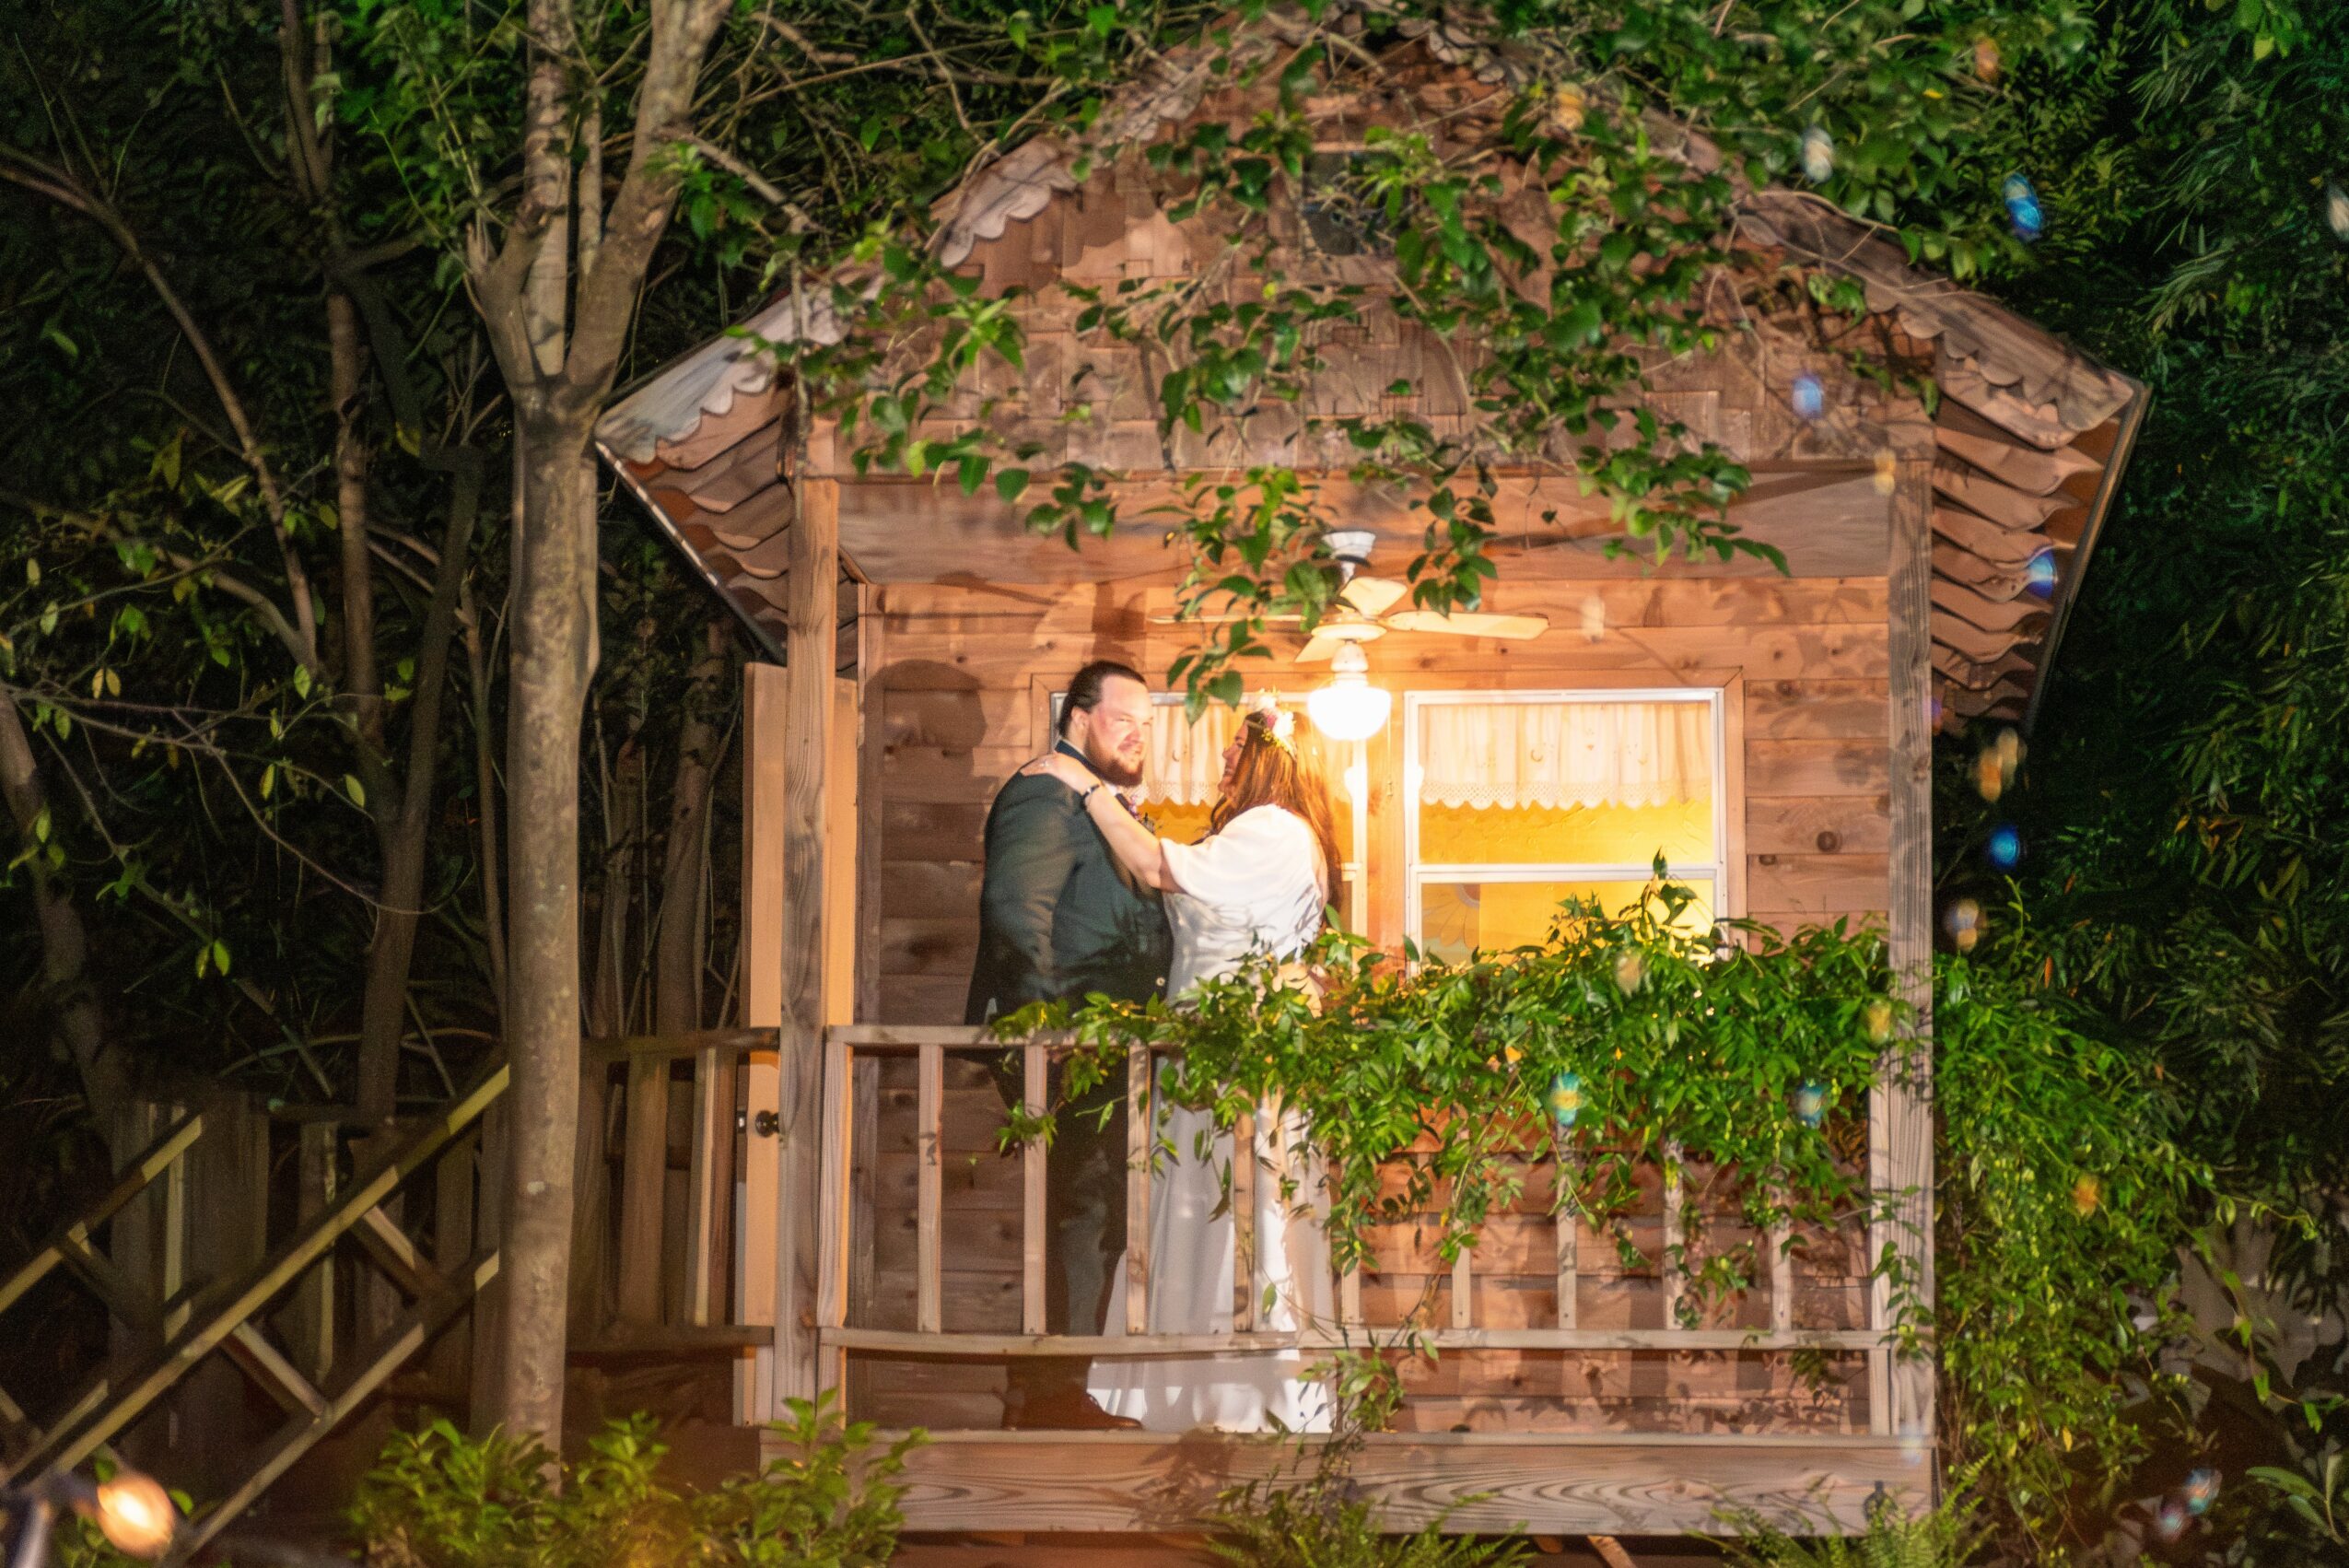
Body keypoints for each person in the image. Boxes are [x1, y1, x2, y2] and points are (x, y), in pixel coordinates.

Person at [1024, 701, 1342, 1433]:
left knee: (1236, 1222)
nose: (1225, 759)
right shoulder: (1254, 835)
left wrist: (1087, 788)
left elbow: (1155, 864)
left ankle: (1242, 1407)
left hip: (1236, 1067)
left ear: (1275, 761)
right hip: (1208, 1062)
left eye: (1238, 747)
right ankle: (1199, 1403)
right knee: (1208, 1221)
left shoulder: (1273, 831)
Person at [964, 660, 1173, 1430]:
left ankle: (1060, 1394)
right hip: (1069, 1046)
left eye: (1147, 725)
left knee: (1096, 1215)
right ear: (1078, 717)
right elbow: (1019, 917)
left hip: (1107, 1048)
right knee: (1082, 1215)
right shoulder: (1043, 791)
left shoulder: (1100, 800)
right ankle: (1050, 1403)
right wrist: (1046, 1040)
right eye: (1124, 719)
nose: (1138, 736)